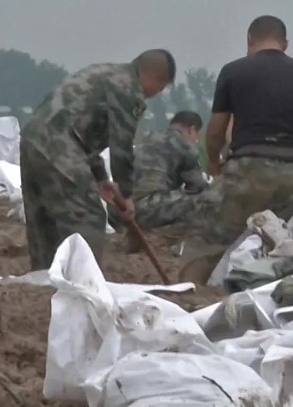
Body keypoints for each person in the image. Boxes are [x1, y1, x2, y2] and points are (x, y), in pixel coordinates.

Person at [180, 15, 293, 283]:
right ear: (285, 44)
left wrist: (213, 162)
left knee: (208, 232)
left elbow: (216, 130)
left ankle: (189, 292)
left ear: (249, 39)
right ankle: (269, 292)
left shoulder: (234, 72)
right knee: (274, 238)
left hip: (248, 167)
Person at [20, 49, 176, 271]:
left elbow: (87, 134)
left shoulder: (106, 73)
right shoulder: (129, 90)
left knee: (44, 217)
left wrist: (101, 178)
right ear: (155, 78)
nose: (154, 94)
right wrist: (128, 194)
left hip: (33, 138)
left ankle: (45, 275)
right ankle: (84, 279)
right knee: (88, 215)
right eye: (159, 89)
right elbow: (121, 146)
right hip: (59, 144)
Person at [132, 111, 222, 231]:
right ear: (191, 130)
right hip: (148, 210)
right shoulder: (185, 146)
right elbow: (198, 186)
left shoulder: (148, 138)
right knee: (207, 199)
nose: (195, 140)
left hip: (125, 208)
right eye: (197, 135)